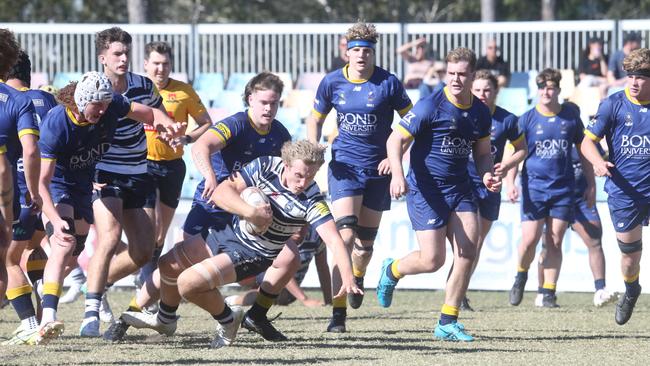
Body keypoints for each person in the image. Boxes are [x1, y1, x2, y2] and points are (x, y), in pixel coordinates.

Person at [104, 72, 294, 342]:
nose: (268, 108)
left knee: (290, 257)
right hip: (212, 207)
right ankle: (134, 313)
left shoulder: (280, 134)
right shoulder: (237, 124)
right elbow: (201, 146)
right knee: (175, 265)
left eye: (274, 103)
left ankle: (255, 316)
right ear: (250, 99)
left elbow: (286, 172)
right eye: (264, 102)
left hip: (243, 215)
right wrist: (210, 176)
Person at [122, 141, 362, 348]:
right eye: (299, 175)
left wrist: (348, 277)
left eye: (310, 176)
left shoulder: (312, 200)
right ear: (286, 164)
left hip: (254, 253)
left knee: (187, 284)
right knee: (168, 265)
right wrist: (251, 213)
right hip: (230, 231)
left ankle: (227, 321)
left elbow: (334, 239)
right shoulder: (266, 165)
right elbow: (222, 192)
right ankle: (165, 320)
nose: (303, 182)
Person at [27, 71, 181, 345]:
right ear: (82, 100)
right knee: (64, 242)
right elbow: (41, 181)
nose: (102, 110)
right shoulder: (57, 123)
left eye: (105, 104)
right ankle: (48, 317)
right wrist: (53, 217)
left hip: (85, 185)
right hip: (58, 184)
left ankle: (45, 288)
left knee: (75, 252)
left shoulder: (113, 106)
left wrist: (168, 127)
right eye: (96, 104)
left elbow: (150, 114)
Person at [378, 47, 500, 342]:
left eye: (462, 74)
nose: (456, 79)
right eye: (452, 73)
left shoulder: (480, 112)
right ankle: (393, 269)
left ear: (473, 75)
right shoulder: (429, 106)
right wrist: (397, 174)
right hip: (425, 189)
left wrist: (486, 173)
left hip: (460, 188)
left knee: (468, 250)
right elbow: (395, 140)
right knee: (433, 260)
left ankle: (448, 320)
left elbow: (482, 153)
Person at [306, 21, 412, 333]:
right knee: (344, 236)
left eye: (366, 51)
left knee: (364, 246)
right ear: (347, 53)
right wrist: (314, 147)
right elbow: (315, 119)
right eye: (356, 51)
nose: (361, 56)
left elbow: (412, 122)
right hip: (345, 168)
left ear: (373, 54)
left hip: (378, 171)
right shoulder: (331, 83)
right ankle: (338, 314)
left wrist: (392, 158)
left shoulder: (388, 83)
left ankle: (359, 271)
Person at [79, 27, 177, 337]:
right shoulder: (93, 86)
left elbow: (158, 116)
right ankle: (91, 313)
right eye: (117, 54)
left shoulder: (144, 85)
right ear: (102, 57)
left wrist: (170, 131)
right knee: (109, 238)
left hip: (138, 171)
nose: (123, 59)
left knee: (143, 251)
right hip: (105, 172)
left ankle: (100, 283)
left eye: (126, 53)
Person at [506, 69, 594, 309]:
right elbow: (516, 152)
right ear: (538, 89)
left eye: (551, 87)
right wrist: (510, 182)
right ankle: (521, 274)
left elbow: (585, 152)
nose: (547, 91)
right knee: (530, 239)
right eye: (543, 87)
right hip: (533, 187)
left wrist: (591, 184)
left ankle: (548, 292)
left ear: (558, 90)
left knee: (555, 240)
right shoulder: (526, 119)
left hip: (563, 189)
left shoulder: (570, 117)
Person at [581, 48, 650, 325]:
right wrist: (598, 162)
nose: (634, 82)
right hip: (625, 193)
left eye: (641, 77)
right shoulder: (613, 104)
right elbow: (587, 142)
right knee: (630, 258)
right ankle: (632, 288)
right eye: (630, 76)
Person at [139, 40, 212, 298]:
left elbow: (206, 122)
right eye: (156, 63)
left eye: (165, 64)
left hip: (172, 166)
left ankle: (148, 278)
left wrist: (188, 138)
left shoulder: (183, 91)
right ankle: (145, 283)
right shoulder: (136, 88)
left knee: (160, 233)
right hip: (142, 165)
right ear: (146, 64)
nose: (160, 69)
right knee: (150, 227)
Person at [2, 50, 59, 345]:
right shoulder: (47, 99)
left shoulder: (9, 101)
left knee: (9, 258)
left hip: (21, 191)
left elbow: (26, 149)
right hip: (48, 191)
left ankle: (28, 322)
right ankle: (41, 312)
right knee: (35, 246)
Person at [460, 69, 526, 310]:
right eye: (477, 90)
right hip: (464, 183)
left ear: (496, 92)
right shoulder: (462, 113)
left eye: (487, 90)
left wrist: (506, 166)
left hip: (491, 186)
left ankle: (461, 290)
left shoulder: (507, 119)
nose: (482, 94)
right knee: (468, 240)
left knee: (476, 242)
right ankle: (456, 293)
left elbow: (522, 149)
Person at [533, 145, 617, 308]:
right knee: (549, 244)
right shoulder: (552, 140)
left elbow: (599, 159)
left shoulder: (585, 140)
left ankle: (600, 290)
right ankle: (544, 293)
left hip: (582, 200)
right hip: (556, 200)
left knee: (595, 241)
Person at [0, 29, 37, 343]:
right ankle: (31, 319)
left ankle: (30, 321)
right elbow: (30, 150)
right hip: (17, 194)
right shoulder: (19, 101)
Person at [225, 224, 332, 308]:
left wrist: (329, 301)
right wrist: (305, 300)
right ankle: (231, 301)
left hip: (291, 287)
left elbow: (322, 268)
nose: (299, 228)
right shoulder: (279, 233)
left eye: (303, 223)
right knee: (265, 296)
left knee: (282, 298)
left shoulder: (317, 235)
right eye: (295, 223)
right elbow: (283, 269)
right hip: (269, 275)